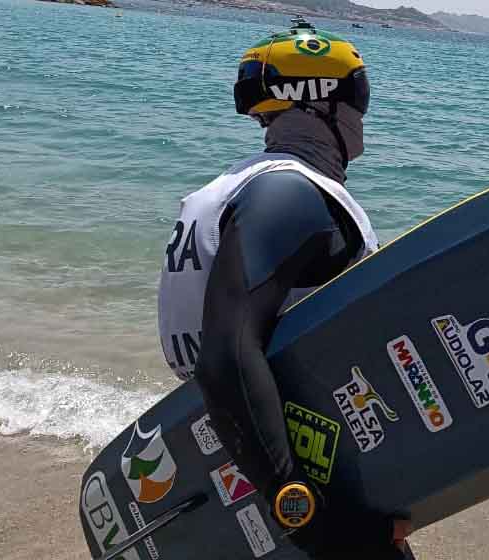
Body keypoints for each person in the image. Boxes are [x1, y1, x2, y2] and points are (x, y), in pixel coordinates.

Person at [157, 22, 412, 559]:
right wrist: (302, 513)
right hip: (287, 468)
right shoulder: (292, 194)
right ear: (315, 100)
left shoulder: (242, 183)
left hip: (234, 441)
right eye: (357, 94)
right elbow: (225, 355)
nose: (362, 113)